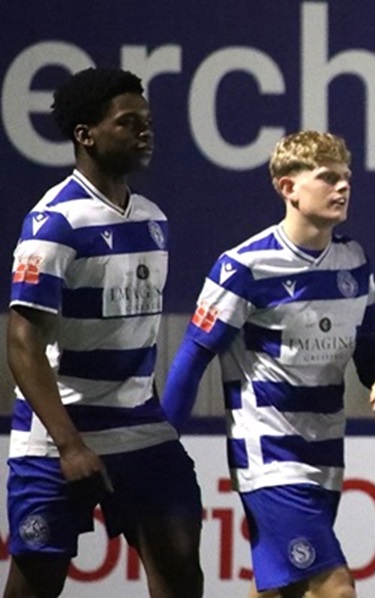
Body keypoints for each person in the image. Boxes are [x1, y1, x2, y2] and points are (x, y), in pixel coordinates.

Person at [161, 131, 375, 597]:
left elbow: (371, 352)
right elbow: (194, 356)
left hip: (325, 453)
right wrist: (163, 449)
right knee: (335, 588)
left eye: (346, 178)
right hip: (268, 457)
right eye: (327, 178)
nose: (342, 188)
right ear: (287, 188)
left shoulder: (353, 262)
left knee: (285, 591)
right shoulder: (244, 268)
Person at [5, 67, 203, 598]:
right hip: (56, 437)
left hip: (141, 430)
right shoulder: (53, 225)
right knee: (35, 583)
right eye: (128, 122)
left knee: (183, 570)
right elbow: (22, 344)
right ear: (85, 135)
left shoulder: (154, 221)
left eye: (148, 121)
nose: (145, 131)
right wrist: (70, 445)